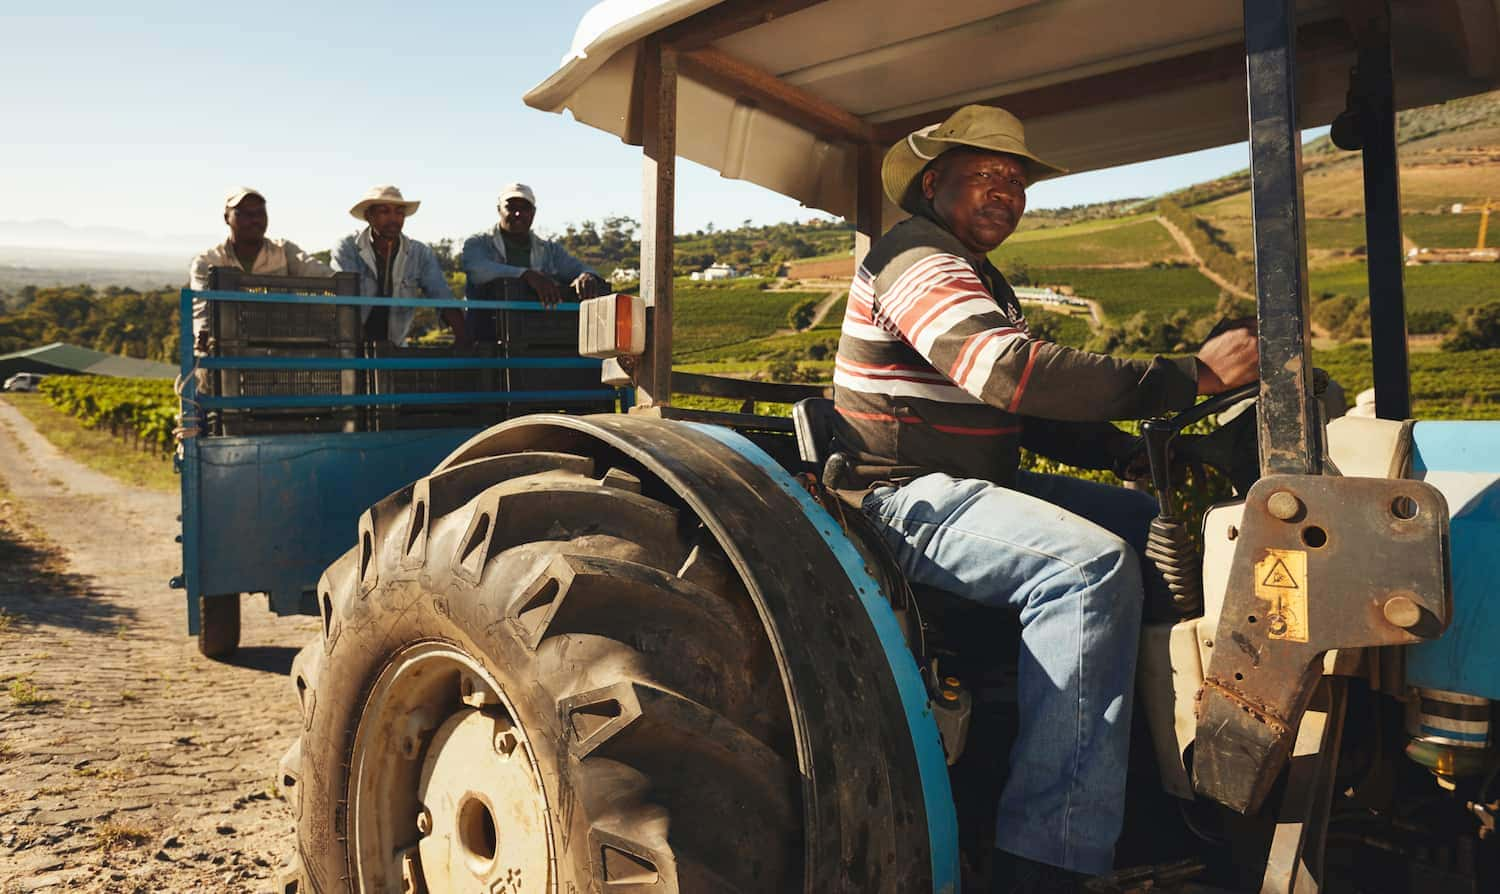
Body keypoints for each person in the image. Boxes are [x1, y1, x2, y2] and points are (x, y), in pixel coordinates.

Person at [832, 105, 1258, 891]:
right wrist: (1190, 376)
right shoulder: (916, 258)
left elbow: (1015, 414)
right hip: (898, 497)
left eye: (1016, 182)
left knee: (1154, 524)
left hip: (974, 481)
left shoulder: (974, 273)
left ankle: (1166, 761)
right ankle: (1049, 854)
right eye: (986, 176)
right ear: (934, 183)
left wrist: (1135, 454)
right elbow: (1011, 373)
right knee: (1087, 568)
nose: (1005, 193)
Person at [188, 187, 332, 349]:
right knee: (196, 373)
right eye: (246, 214)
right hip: (226, 350)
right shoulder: (208, 262)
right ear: (227, 218)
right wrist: (204, 333)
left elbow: (325, 276)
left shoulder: (284, 251)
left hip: (277, 349)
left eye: (260, 213)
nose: (255, 220)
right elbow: (202, 308)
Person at [460, 183, 606, 340]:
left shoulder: (549, 250)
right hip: (484, 336)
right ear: (499, 210)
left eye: (525, 208)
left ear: (533, 213)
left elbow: (580, 268)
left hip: (534, 339)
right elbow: (477, 271)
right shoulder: (478, 243)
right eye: (511, 207)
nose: (518, 214)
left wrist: (586, 275)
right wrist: (526, 275)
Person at [333, 185, 465, 346]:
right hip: (351, 346)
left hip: (395, 347)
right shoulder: (348, 248)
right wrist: (359, 345)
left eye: (399, 212)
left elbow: (442, 295)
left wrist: (463, 335)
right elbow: (346, 301)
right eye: (384, 211)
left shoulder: (420, 253)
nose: (393, 219)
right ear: (369, 215)